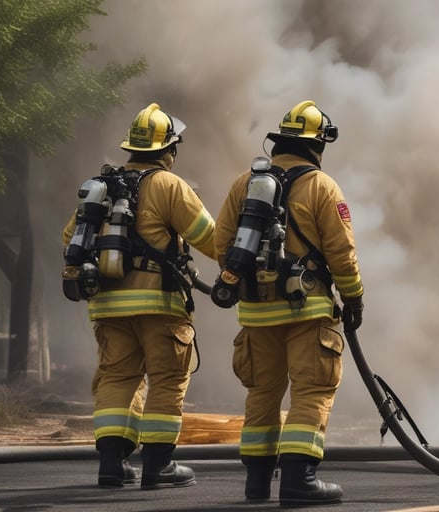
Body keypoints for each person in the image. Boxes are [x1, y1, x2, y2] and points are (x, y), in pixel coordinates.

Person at [212, 100, 364, 506]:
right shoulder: (322, 186)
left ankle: (257, 484)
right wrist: (353, 298)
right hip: (307, 311)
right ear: (317, 145)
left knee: (262, 393)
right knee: (312, 390)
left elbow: (221, 245)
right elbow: (342, 253)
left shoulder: (243, 183)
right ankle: (300, 481)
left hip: (255, 311)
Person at [61, 103, 216, 489]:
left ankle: (111, 465)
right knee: (166, 379)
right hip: (159, 305)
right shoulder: (169, 185)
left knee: (116, 377)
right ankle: (158, 466)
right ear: (169, 151)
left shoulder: (102, 187)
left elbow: (69, 239)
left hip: (108, 305)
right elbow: (212, 239)